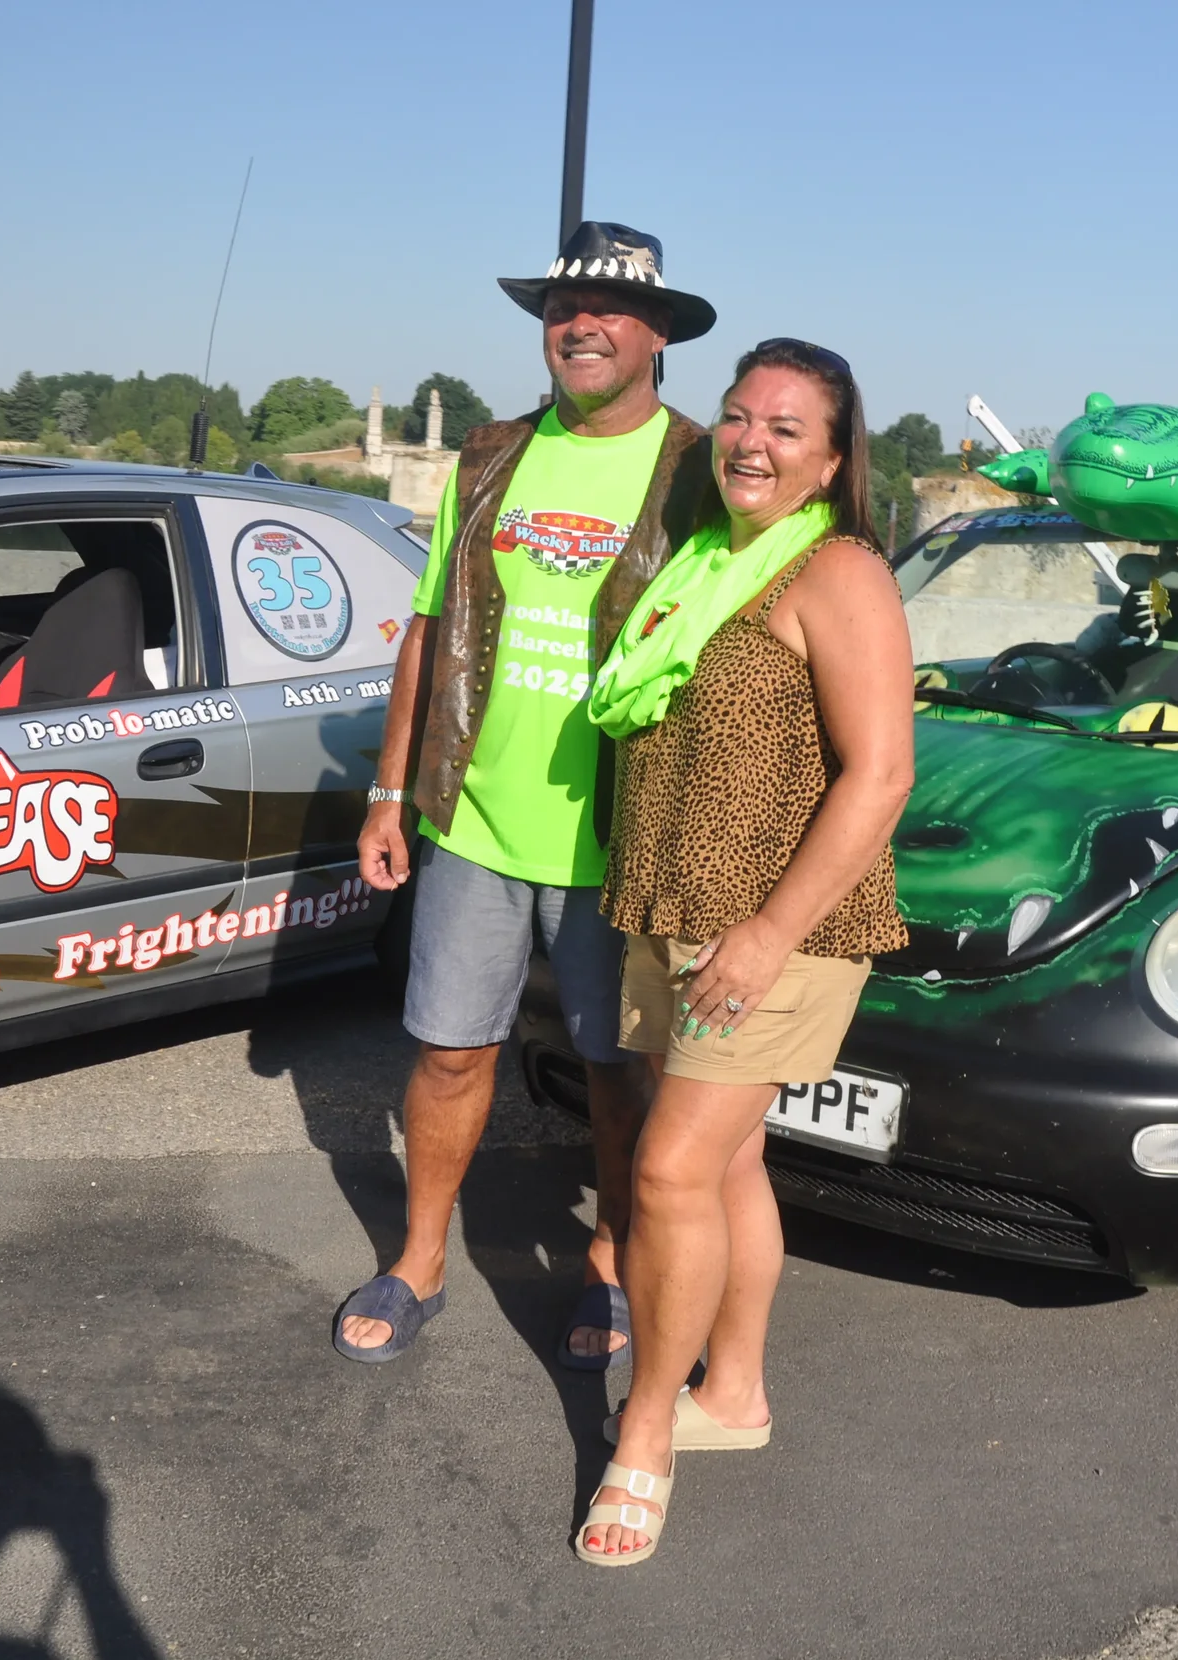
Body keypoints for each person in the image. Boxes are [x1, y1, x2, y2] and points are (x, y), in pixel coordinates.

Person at [335, 223, 719, 1367]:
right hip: (479, 821)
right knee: (451, 1051)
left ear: (657, 333)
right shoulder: (491, 456)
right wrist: (388, 790)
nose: (579, 324)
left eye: (606, 308)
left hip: (621, 832)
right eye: (561, 305)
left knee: (615, 1068)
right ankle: (419, 1259)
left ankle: (608, 1262)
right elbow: (429, 630)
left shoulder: (699, 468)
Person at [573, 339, 914, 1564]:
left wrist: (766, 935)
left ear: (830, 458)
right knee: (724, 1170)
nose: (749, 442)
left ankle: (647, 1434)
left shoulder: (839, 573)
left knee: (667, 1172)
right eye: (735, 417)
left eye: (783, 427)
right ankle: (738, 1393)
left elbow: (880, 777)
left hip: (776, 931)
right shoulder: (710, 561)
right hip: (678, 911)